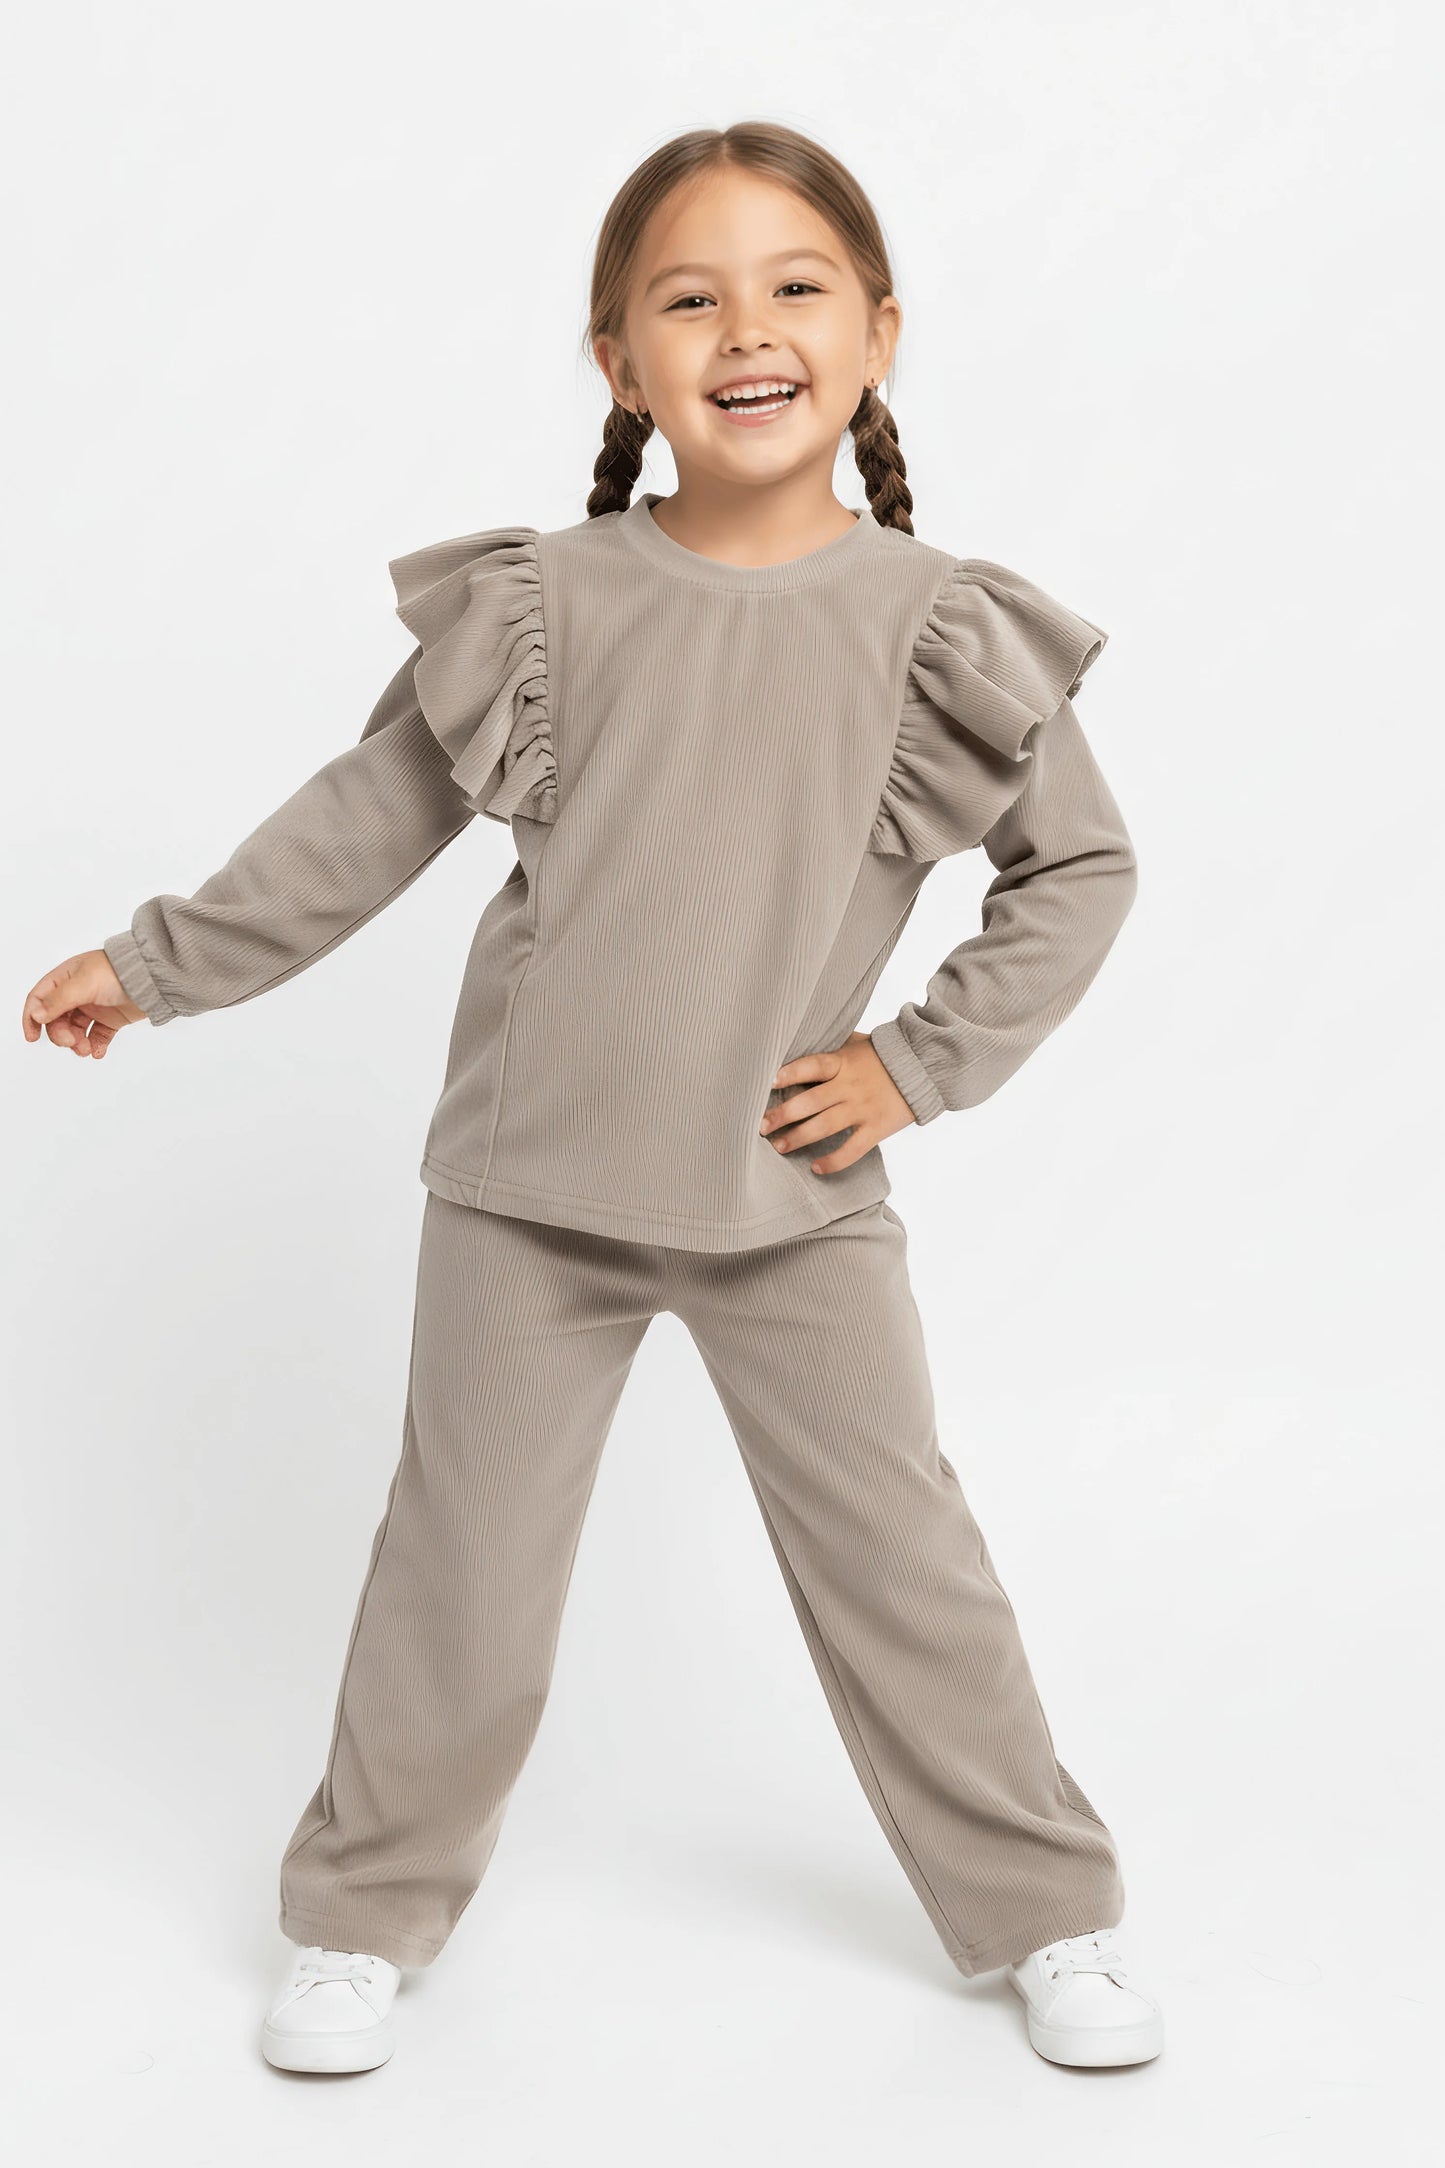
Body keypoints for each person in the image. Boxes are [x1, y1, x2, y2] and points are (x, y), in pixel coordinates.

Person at [21, 120, 1163, 2076]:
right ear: (620, 358)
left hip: (791, 1192)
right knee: (458, 1560)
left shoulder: (939, 622)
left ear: (878, 332)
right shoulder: (543, 601)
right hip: (527, 1188)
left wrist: (912, 1065)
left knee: (907, 1566)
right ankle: (366, 1911)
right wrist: (165, 959)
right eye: (689, 295)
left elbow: (1082, 871)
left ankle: (1046, 1912)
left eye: (796, 285)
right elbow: (365, 819)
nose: (748, 327)